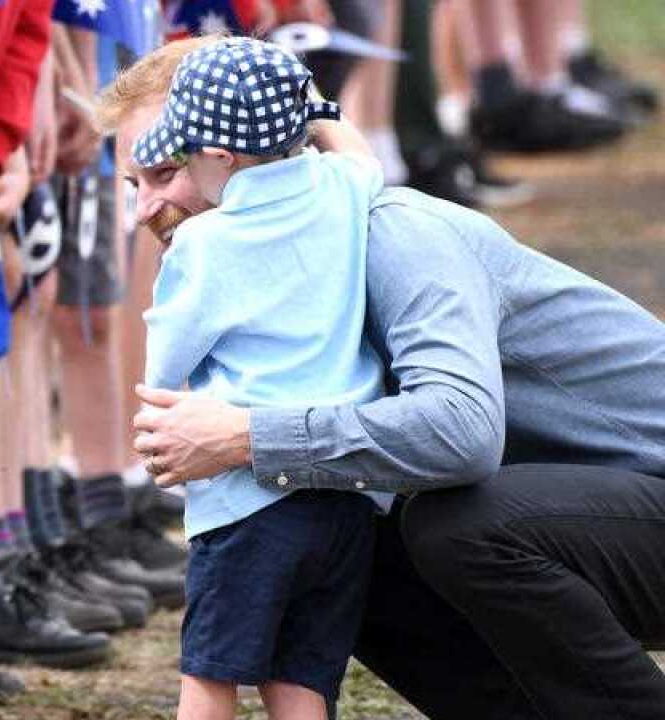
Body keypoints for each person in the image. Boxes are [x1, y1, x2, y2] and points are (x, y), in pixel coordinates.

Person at [101, 36, 665, 720]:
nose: (143, 210)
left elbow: (463, 435)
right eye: (134, 184)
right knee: (331, 536)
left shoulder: (392, 231)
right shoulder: (287, 261)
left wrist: (247, 436)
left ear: (236, 150)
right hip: (605, 512)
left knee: (458, 526)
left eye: (164, 172)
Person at [133, 37, 387, 720]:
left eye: (184, 154)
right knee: (302, 679)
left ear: (220, 158)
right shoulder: (343, 189)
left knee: (211, 676)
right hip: (345, 492)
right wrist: (317, 107)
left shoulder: (205, 245)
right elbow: (361, 155)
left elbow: (165, 366)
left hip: (247, 501)